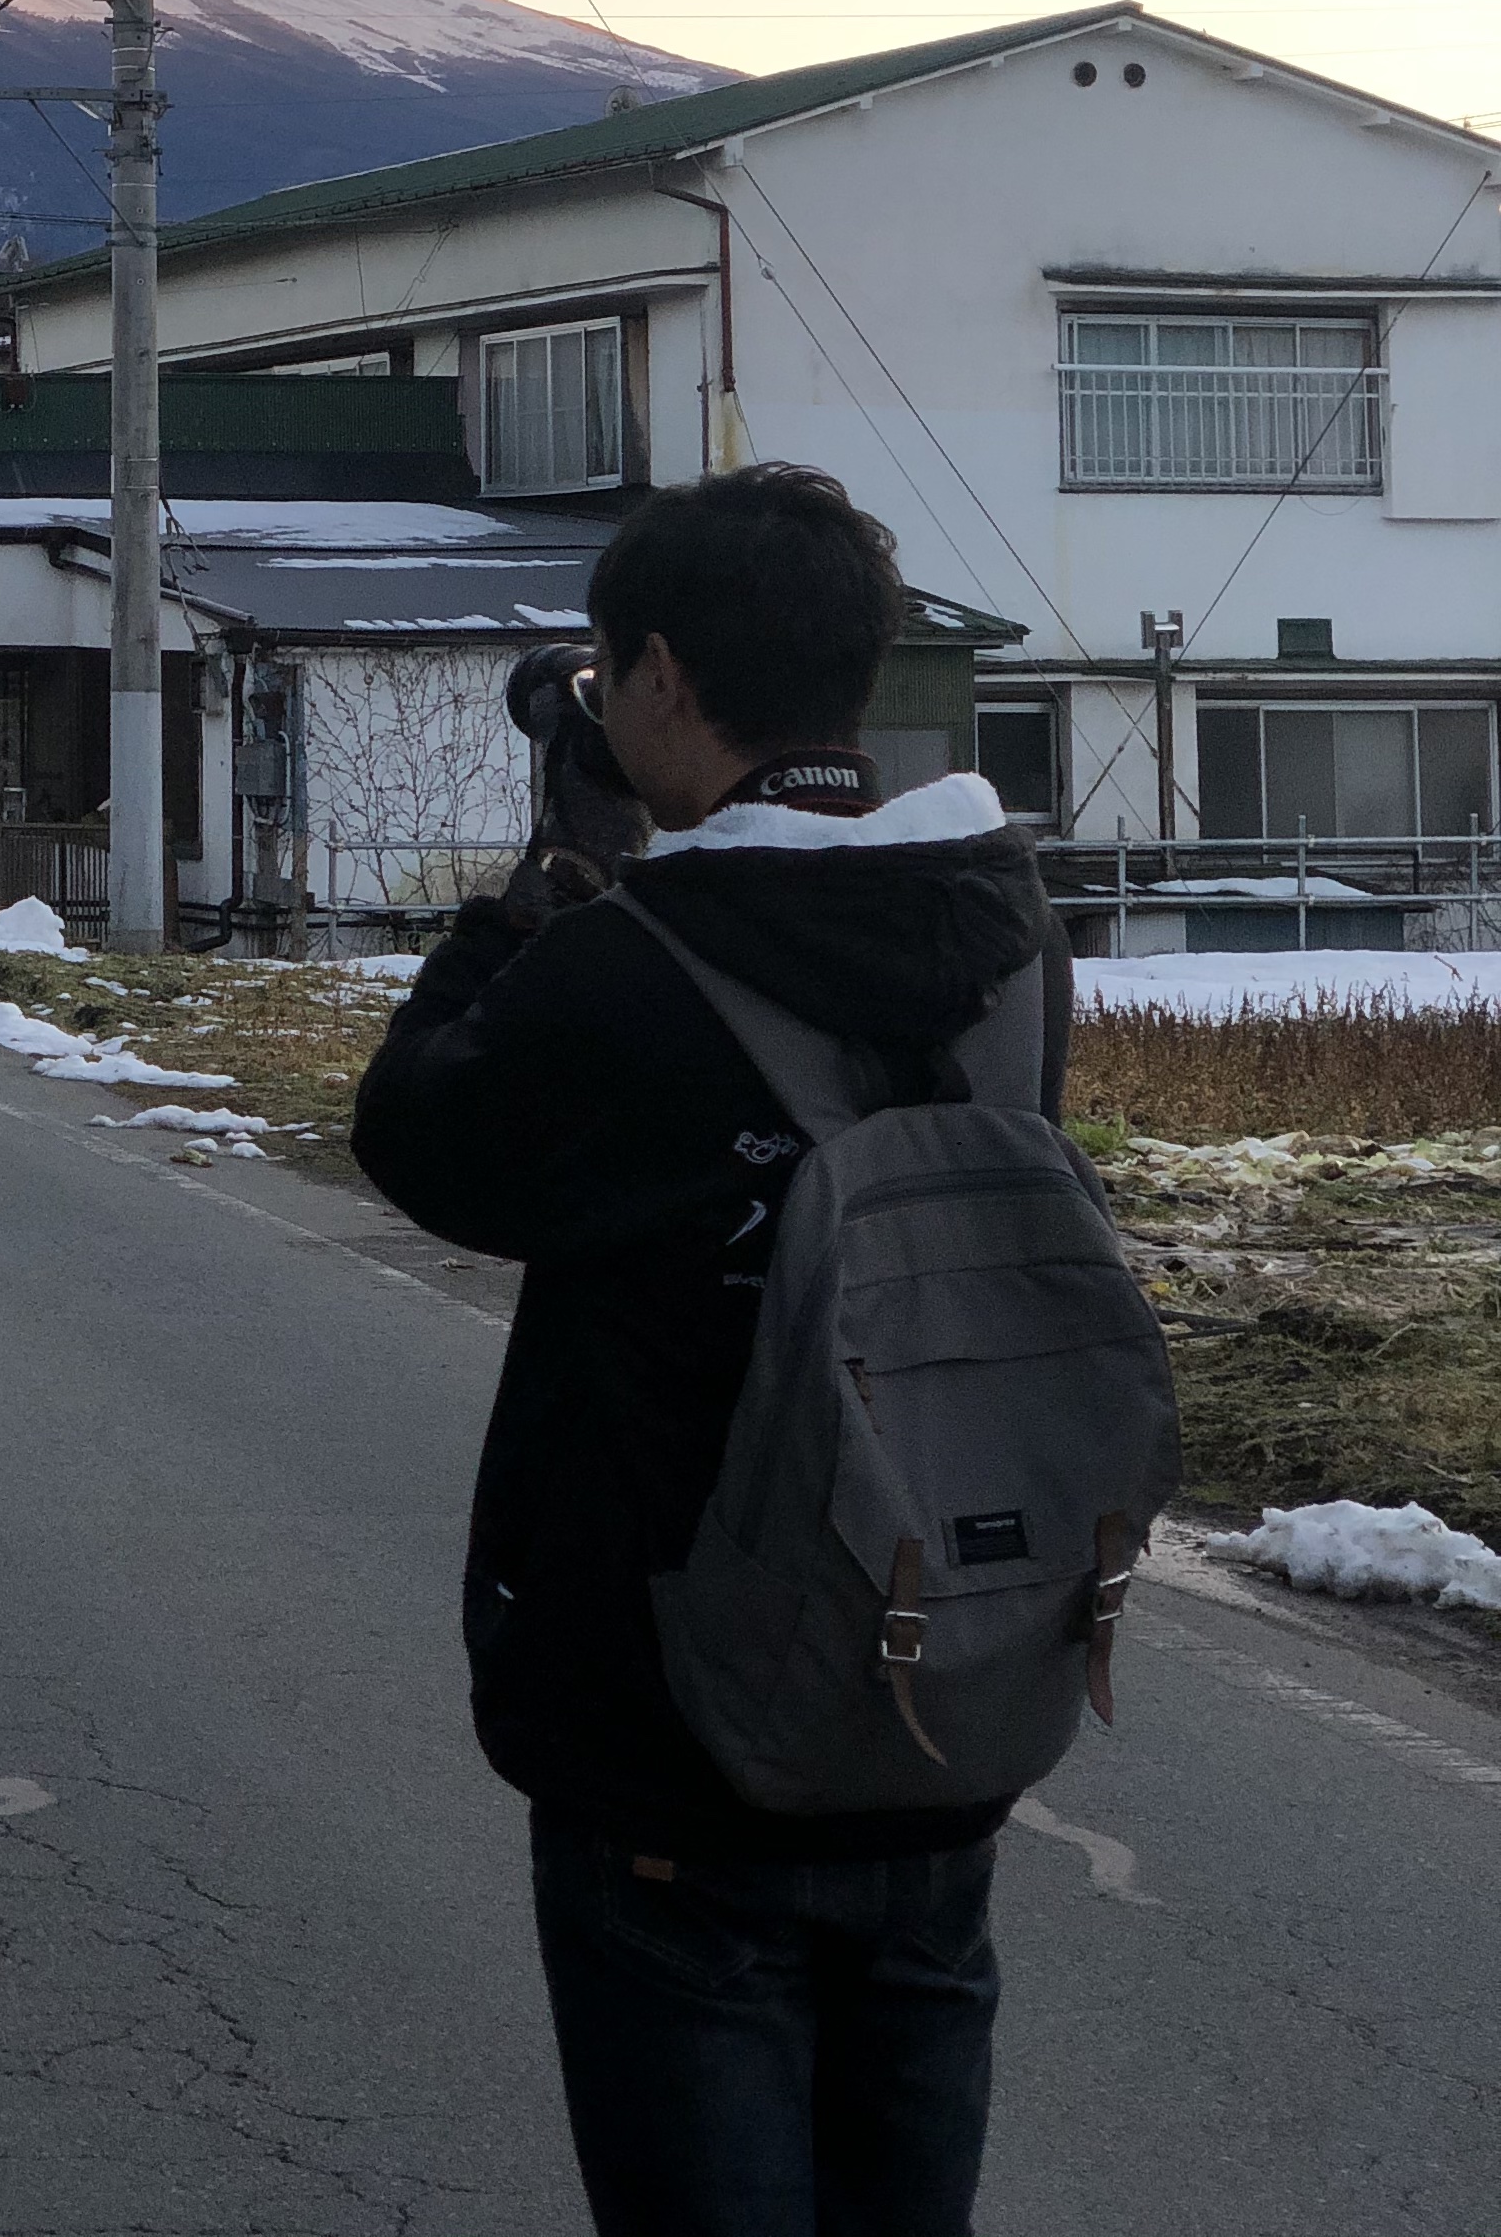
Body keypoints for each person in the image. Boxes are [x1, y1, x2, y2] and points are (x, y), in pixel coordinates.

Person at [351, 465, 1068, 2237]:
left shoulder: (634, 966)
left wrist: (545, 877)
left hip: (679, 1740)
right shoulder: (1011, 945)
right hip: (938, 1707)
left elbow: (424, 1142)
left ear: (660, 676)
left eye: (605, 677)